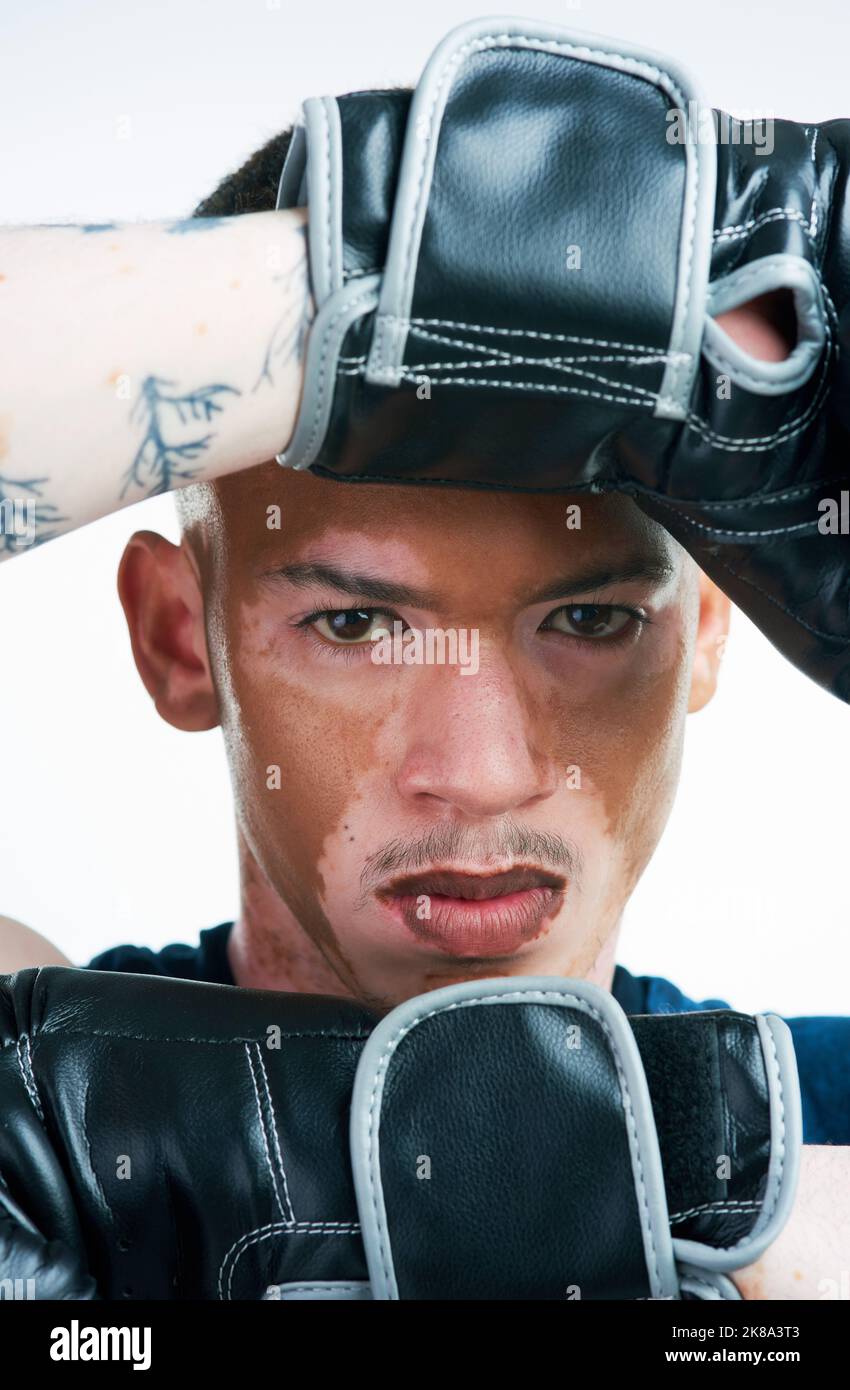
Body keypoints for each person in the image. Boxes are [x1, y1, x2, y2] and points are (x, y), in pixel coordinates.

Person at [1, 124, 848, 1299]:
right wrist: (345, 293)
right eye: (355, 626)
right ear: (176, 637)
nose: (486, 771)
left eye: (592, 620)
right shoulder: (48, 1120)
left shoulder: (830, 1119)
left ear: (706, 626)